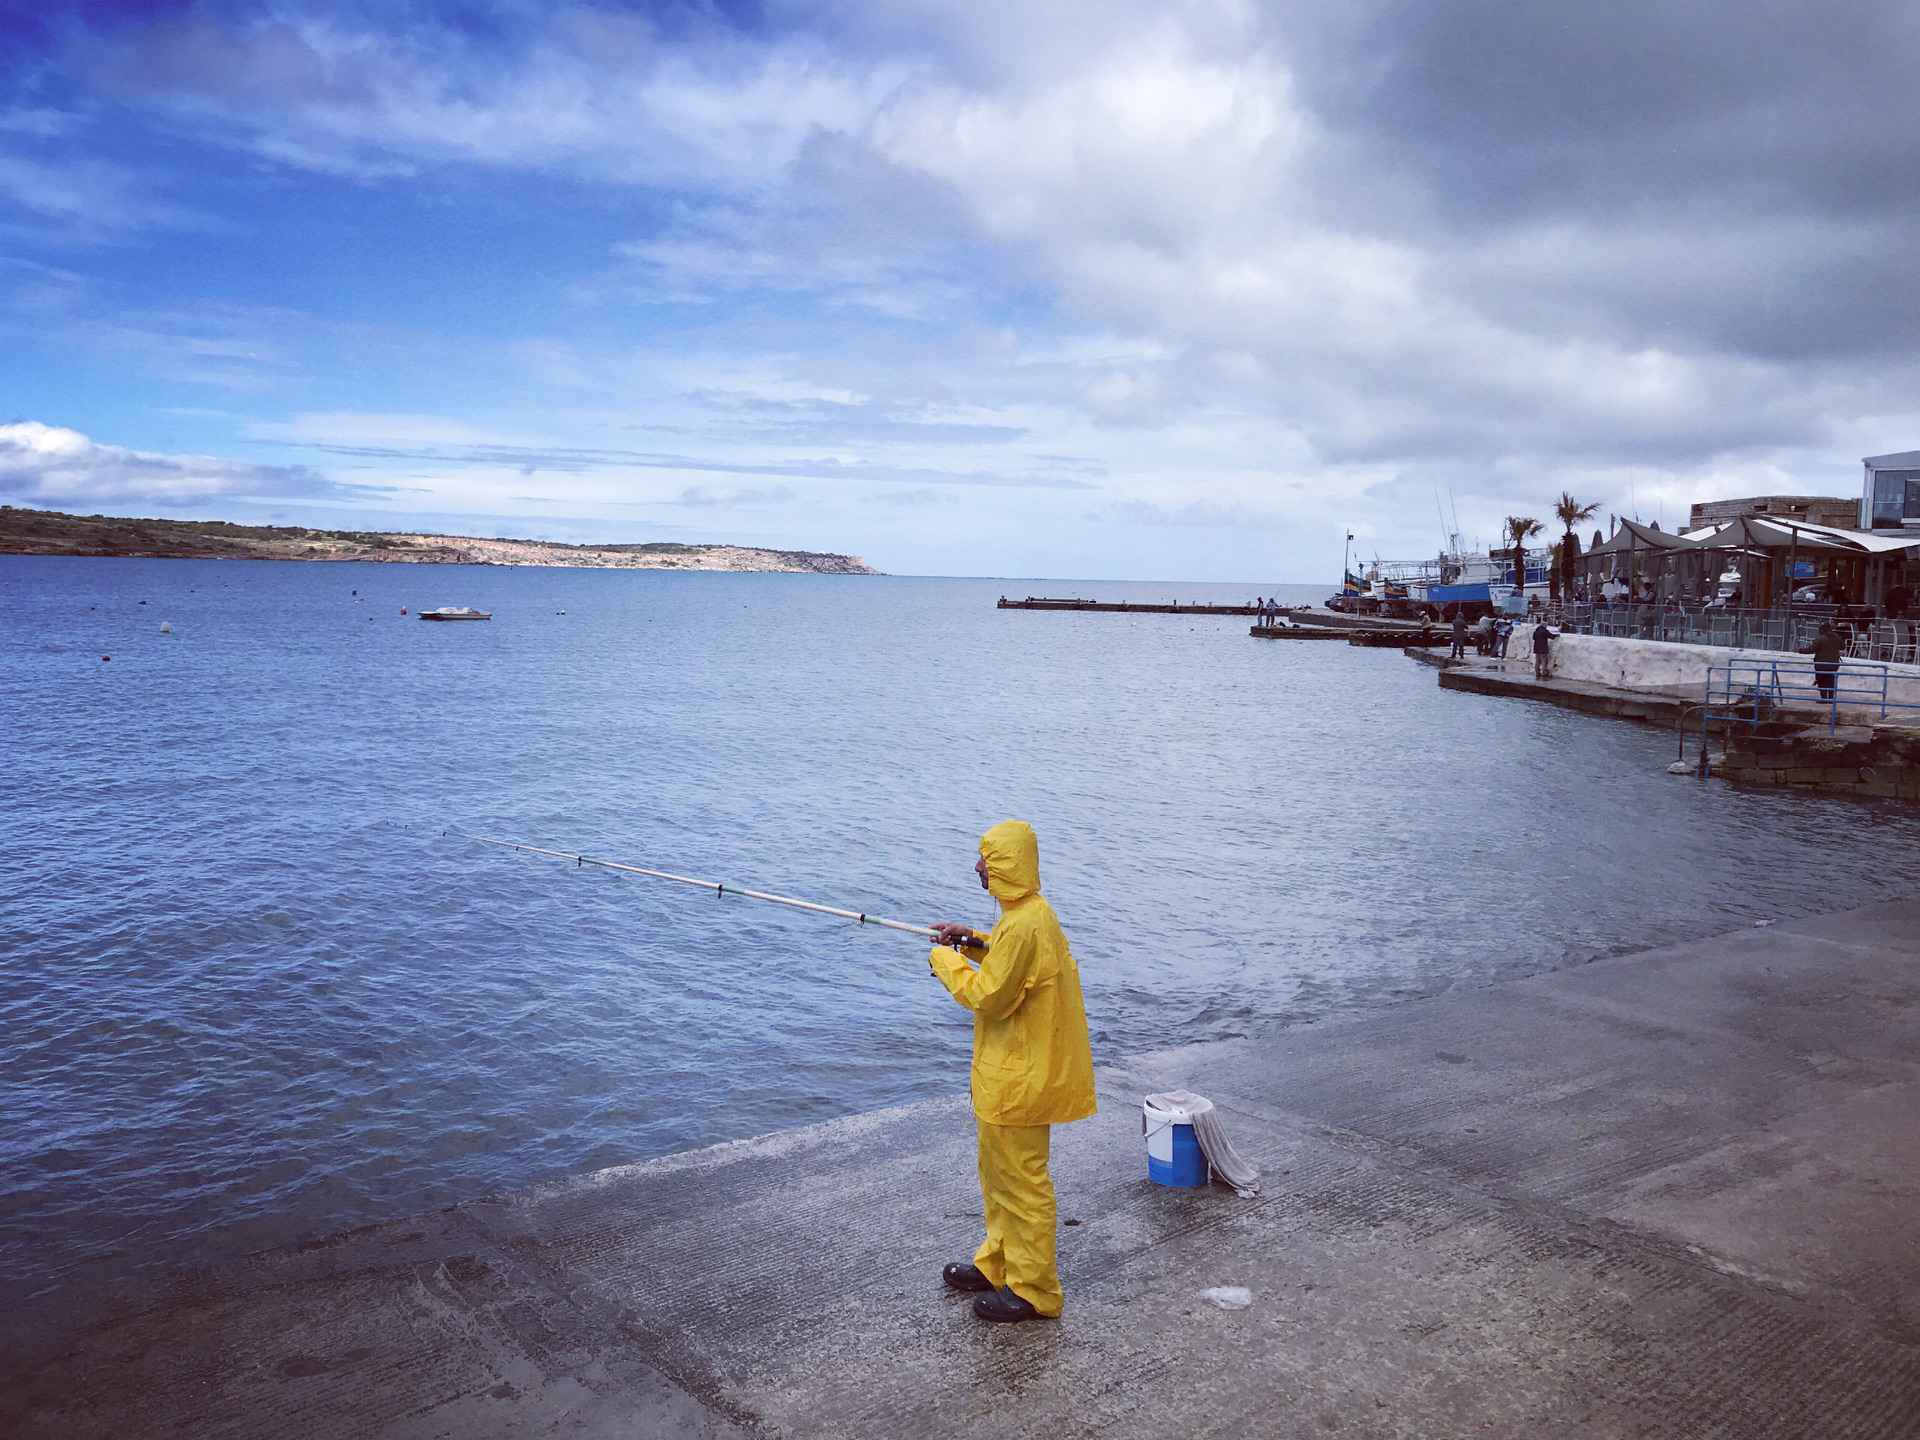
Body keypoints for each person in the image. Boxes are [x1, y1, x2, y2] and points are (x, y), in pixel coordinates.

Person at [929, 821, 1096, 1325]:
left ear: (1008, 865)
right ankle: (999, 1265)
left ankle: (1035, 1291)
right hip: (1008, 1076)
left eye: (987, 859)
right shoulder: (1026, 915)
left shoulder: (1024, 922)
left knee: (1022, 1185)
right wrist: (972, 942)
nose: (979, 867)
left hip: (1019, 1081)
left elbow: (990, 996)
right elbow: (1012, 965)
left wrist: (945, 962)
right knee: (998, 1179)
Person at [1800, 622, 1844, 704]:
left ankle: (1824, 698)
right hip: (1833, 664)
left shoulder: (1820, 639)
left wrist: (1801, 650)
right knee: (1831, 681)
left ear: (1823, 629)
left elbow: (1811, 649)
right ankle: (1831, 699)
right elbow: (1842, 646)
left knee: (1822, 681)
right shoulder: (1836, 637)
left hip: (1821, 664)